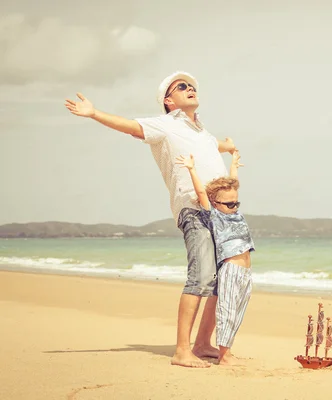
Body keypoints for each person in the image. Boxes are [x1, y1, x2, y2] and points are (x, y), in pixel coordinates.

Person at [64, 71, 236, 368]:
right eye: (182, 86)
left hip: (222, 213)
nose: (190, 88)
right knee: (202, 276)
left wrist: (227, 147)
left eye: (192, 85)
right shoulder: (165, 125)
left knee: (221, 280)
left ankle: (203, 343)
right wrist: (94, 114)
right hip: (194, 209)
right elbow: (131, 126)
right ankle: (182, 351)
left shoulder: (202, 133)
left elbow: (211, 146)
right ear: (168, 101)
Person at [175, 149, 254, 365]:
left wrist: (234, 165)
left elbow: (234, 184)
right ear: (216, 204)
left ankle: (223, 351)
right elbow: (201, 193)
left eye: (236, 203)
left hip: (245, 271)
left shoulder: (234, 211)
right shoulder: (215, 214)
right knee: (227, 311)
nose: (234, 207)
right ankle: (224, 356)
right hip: (230, 269)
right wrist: (191, 169)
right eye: (229, 204)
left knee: (237, 313)